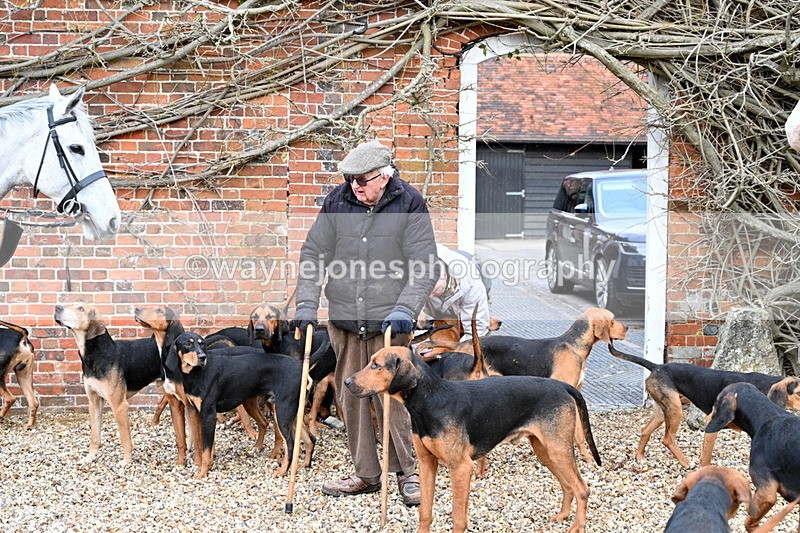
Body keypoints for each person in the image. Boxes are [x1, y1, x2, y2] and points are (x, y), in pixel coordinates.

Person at [291, 140, 438, 506]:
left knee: (399, 401)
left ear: (385, 176)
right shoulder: (337, 201)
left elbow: (424, 262)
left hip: (391, 319)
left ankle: (410, 473)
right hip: (345, 316)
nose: (355, 186)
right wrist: (307, 304)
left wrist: (407, 306)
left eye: (362, 179)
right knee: (352, 396)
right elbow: (313, 252)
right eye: (350, 179)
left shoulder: (410, 202)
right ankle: (367, 474)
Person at [425, 244, 490, 341]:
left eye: (433, 290)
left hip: (475, 281)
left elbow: (477, 330)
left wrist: (460, 353)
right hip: (447, 288)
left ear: (445, 276)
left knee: (479, 338)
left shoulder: (471, 283)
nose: (429, 295)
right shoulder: (413, 277)